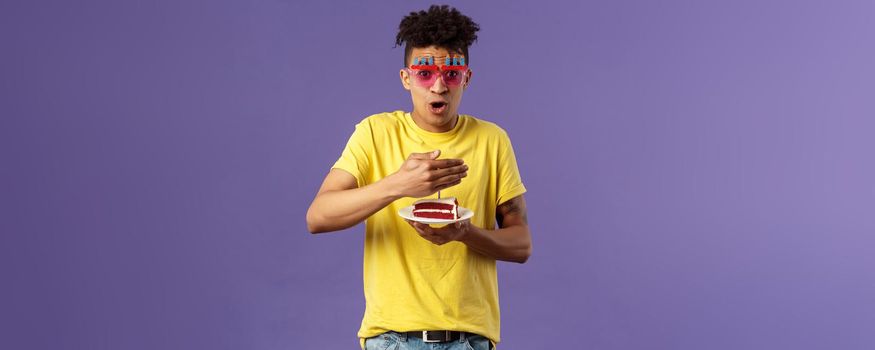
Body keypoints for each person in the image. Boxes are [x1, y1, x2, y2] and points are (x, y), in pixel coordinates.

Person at [306, 5, 531, 350]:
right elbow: (318, 216)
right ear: (406, 78)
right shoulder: (375, 133)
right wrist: (399, 185)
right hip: (391, 339)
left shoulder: (493, 140)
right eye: (425, 73)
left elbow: (521, 245)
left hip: (469, 340)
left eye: (451, 74)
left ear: (466, 78)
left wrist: (465, 233)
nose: (438, 86)